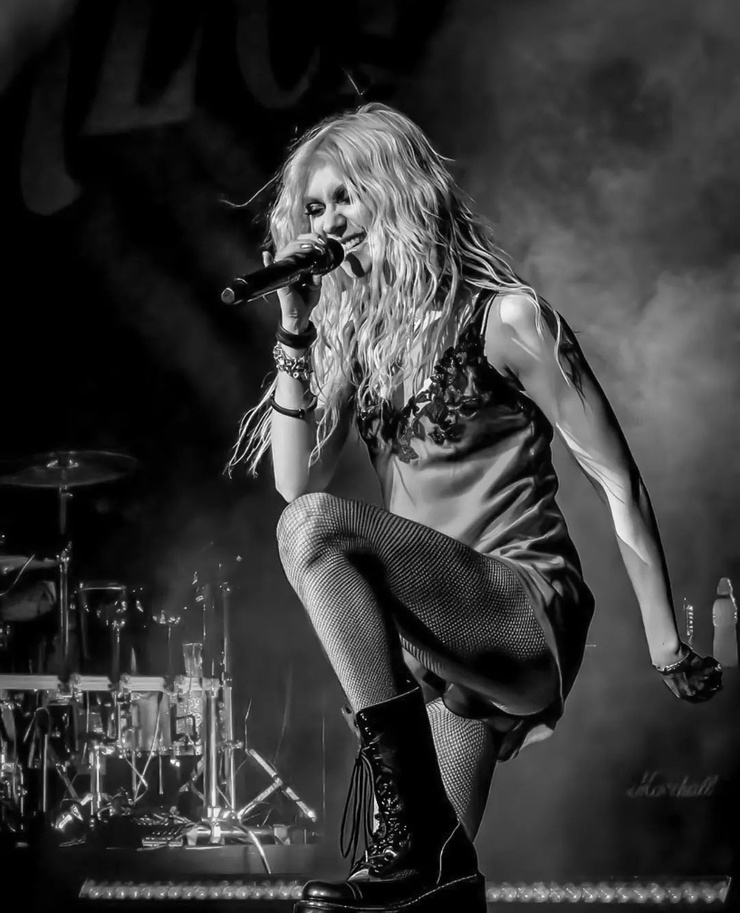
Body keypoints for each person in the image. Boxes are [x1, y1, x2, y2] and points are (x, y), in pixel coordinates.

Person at [229, 103, 722, 913]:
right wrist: (296, 330)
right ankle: (432, 852)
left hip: (519, 608)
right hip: (438, 650)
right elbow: (293, 478)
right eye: (313, 209)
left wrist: (666, 644)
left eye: (345, 197)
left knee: (313, 526)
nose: (328, 223)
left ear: (401, 192)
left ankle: (406, 811)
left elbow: (619, 480)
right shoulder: (362, 342)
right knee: (431, 887)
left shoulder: (506, 318)